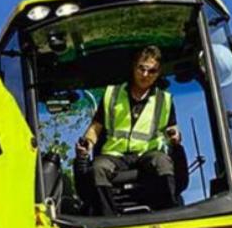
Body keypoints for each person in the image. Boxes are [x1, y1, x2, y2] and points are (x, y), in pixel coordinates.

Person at [76, 45, 181, 215]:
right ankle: (108, 218)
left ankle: (169, 213)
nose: (145, 75)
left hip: (146, 154)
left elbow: (172, 128)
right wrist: (86, 143)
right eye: (142, 68)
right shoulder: (112, 95)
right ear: (134, 67)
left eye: (152, 71)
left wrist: (175, 136)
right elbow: (96, 127)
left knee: (162, 162)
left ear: (158, 73)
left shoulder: (164, 100)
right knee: (98, 168)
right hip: (115, 155)